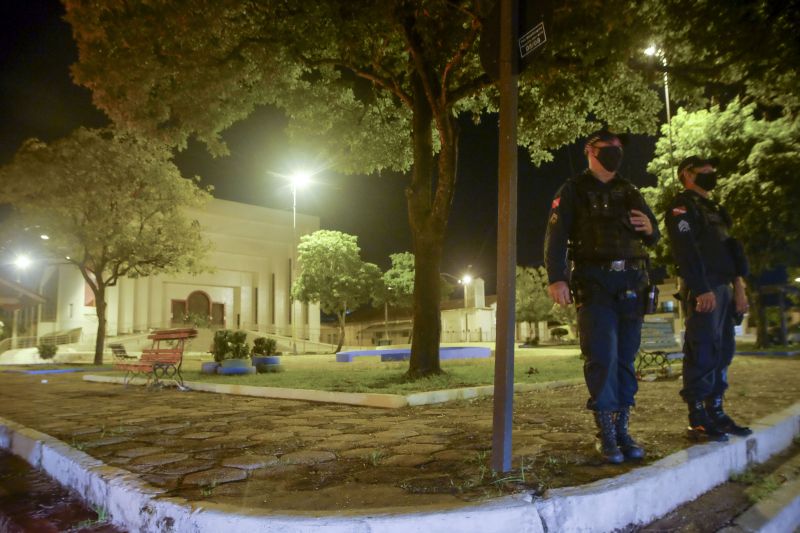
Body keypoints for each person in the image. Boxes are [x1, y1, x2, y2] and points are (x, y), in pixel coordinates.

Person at [544, 130, 660, 463]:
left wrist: (651, 229)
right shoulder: (573, 190)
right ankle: (606, 431)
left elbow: (653, 234)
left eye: (618, 148)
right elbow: (555, 237)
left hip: (632, 281)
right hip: (595, 282)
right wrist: (556, 278)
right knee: (602, 356)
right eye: (607, 148)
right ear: (589, 151)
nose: (614, 152)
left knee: (625, 357)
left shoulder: (630, 191)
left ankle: (623, 428)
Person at [665, 156, 752, 442]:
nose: (710, 173)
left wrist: (739, 287)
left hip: (725, 287)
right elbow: (685, 251)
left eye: (711, 169)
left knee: (723, 351)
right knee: (702, 352)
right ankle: (698, 418)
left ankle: (716, 411)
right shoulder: (682, 207)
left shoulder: (715, 209)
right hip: (705, 288)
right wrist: (701, 288)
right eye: (703, 170)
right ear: (686, 175)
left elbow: (733, 250)